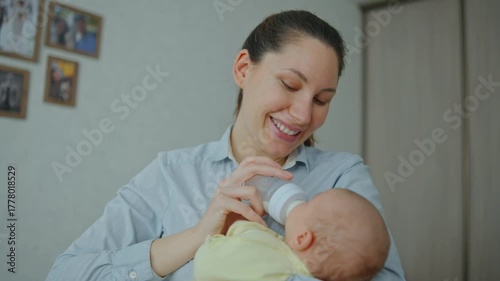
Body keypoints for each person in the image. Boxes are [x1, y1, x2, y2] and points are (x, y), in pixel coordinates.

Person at [45, 10, 406, 281]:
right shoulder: (172, 174)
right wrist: (198, 236)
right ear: (243, 69)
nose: (302, 114)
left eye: (321, 100)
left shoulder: (341, 177)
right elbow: (65, 274)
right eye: (290, 85)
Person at [193, 188, 390, 281]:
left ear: (302, 238)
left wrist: (237, 227)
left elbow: (207, 262)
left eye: (309, 202)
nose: (302, 201)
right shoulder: (287, 260)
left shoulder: (273, 266)